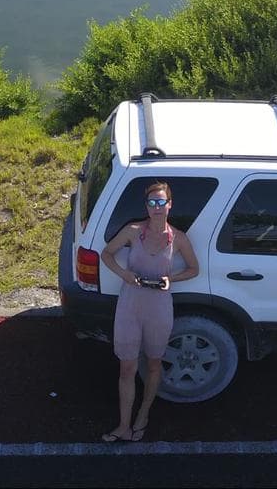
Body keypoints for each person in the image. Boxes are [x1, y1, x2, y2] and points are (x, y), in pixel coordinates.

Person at [99, 180, 199, 443]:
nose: (157, 207)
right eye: (152, 202)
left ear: (170, 204)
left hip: (159, 307)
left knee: (154, 363)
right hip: (130, 306)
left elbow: (194, 269)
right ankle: (123, 425)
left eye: (161, 202)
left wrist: (171, 279)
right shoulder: (133, 231)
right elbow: (107, 254)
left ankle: (143, 414)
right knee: (127, 367)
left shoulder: (178, 238)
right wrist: (125, 274)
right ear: (147, 206)